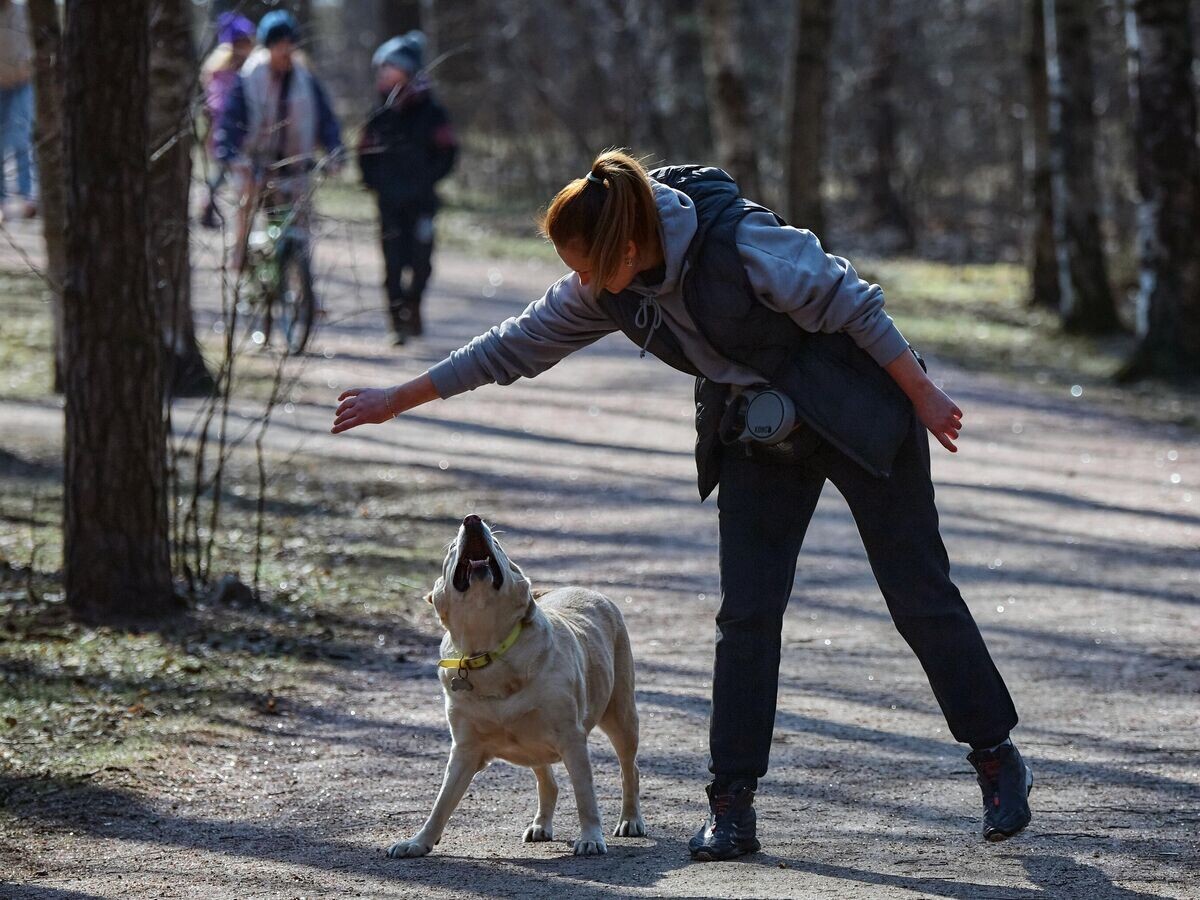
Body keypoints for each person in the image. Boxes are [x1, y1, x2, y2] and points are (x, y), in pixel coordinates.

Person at [331, 150, 1033, 860]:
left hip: (860, 406)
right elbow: (510, 346)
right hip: (759, 423)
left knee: (917, 592)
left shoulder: (745, 247)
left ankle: (995, 757)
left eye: (583, 264)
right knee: (747, 612)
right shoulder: (607, 286)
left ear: (628, 247)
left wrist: (924, 395)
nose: (576, 281)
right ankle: (731, 805)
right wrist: (398, 398)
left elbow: (854, 301)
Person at [214, 10, 342, 267]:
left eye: (289, 44)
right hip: (256, 163)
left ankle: (304, 293)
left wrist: (334, 150)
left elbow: (325, 118)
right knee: (245, 212)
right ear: (268, 46)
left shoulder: (306, 79)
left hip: (296, 165)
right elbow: (231, 119)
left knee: (301, 229)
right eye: (278, 44)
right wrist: (229, 153)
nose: (284, 50)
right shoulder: (249, 78)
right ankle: (239, 261)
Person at [358, 31, 457, 344]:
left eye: (391, 67)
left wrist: (427, 178)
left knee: (421, 262)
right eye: (383, 69)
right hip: (388, 203)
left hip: (422, 202)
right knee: (392, 262)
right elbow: (363, 153)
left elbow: (449, 150)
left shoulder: (432, 111)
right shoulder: (380, 112)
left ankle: (414, 307)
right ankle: (395, 323)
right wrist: (374, 183)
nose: (385, 74)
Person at [199, 12, 256, 229]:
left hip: (238, 131)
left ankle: (211, 206)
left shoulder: (247, 68)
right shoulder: (221, 70)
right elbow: (218, 104)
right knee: (224, 170)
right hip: (222, 131)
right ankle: (209, 207)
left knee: (226, 172)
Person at [0, 0, 37, 220]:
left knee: (22, 138)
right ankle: (2, 200)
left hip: (22, 83)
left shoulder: (23, 10)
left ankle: (27, 197)